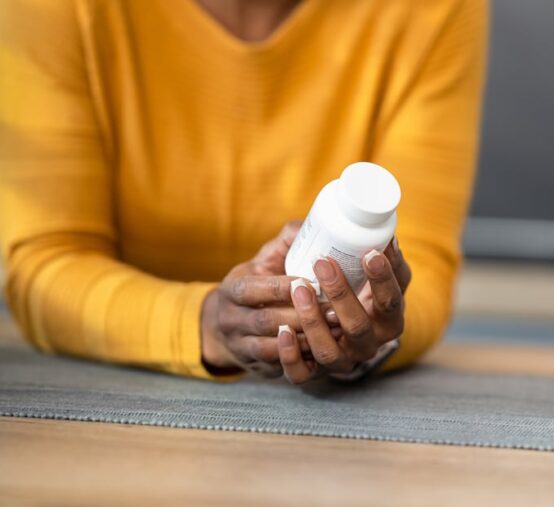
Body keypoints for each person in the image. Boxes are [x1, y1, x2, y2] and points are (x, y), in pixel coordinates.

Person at [0, 0, 487, 384]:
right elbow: (47, 266)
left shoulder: (432, 10)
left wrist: (366, 338)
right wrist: (206, 323)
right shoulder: (58, 9)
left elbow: (422, 267)